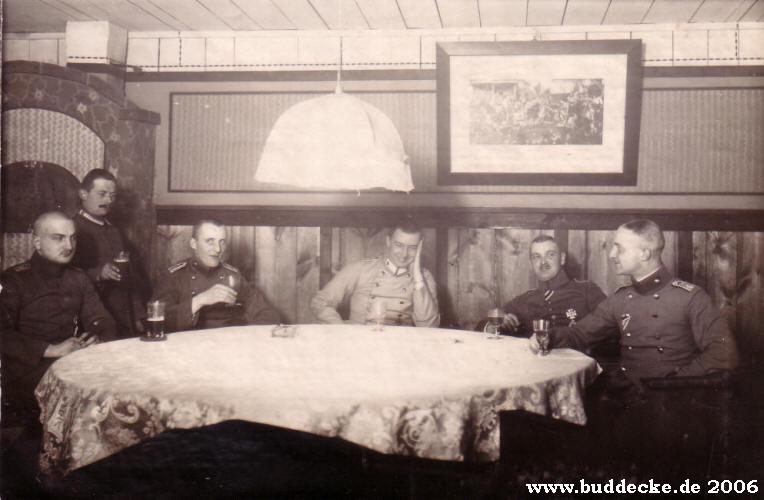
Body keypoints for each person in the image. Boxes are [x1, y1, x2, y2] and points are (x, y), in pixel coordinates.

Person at [532, 219, 738, 470]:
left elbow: (724, 353)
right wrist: (548, 336)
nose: (611, 254)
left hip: (671, 402)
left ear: (644, 253)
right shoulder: (621, 298)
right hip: (625, 396)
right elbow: (580, 333)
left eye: (619, 248)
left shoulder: (690, 297)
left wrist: (672, 380)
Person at [1, 211, 117, 426]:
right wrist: (51, 350)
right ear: (37, 242)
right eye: (58, 238)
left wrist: (97, 336)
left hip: (71, 360)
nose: (69, 245)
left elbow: (102, 319)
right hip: (27, 370)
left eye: (73, 238)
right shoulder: (13, 279)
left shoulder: (78, 277)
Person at [155, 220, 280, 332]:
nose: (218, 249)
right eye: (210, 242)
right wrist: (200, 300)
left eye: (222, 242)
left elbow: (267, 314)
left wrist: (245, 336)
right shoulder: (175, 276)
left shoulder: (233, 275)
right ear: (194, 244)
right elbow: (158, 320)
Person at [311, 222, 439, 327]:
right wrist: (342, 329)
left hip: (401, 344)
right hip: (361, 342)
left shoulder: (424, 278)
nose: (404, 254)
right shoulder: (360, 268)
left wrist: (418, 277)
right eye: (399, 245)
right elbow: (320, 302)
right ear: (388, 241)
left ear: (420, 248)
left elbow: (429, 326)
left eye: (412, 248)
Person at [479, 235, 608, 339]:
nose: (543, 262)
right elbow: (482, 326)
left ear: (562, 259)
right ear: (531, 264)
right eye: (536, 257)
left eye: (550, 255)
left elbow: (608, 326)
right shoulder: (523, 300)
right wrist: (496, 324)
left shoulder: (587, 290)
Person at [71, 169, 146, 338]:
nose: (108, 200)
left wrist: (138, 314)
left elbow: (130, 277)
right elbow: (64, 277)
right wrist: (98, 274)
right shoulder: (71, 229)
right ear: (83, 194)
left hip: (124, 319)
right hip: (91, 321)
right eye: (102, 194)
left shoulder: (114, 230)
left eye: (112, 195)